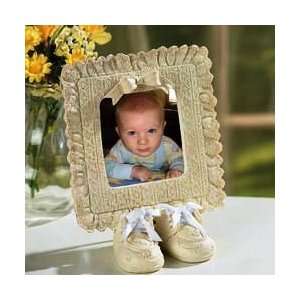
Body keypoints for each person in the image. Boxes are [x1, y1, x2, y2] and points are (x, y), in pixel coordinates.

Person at [105, 90, 184, 183]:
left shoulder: (168, 145)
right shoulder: (121, 148)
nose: (142, 141)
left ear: (163, 128)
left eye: (151, 131)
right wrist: (132, 171)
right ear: (119, 133)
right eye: (132, 133)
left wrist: (176, 170)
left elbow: (180, 159)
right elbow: (107, 166)